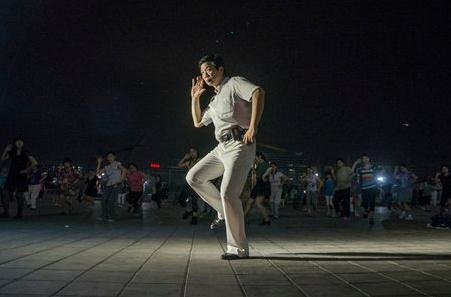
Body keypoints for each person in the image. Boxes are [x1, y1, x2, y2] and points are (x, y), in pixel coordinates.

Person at [186, 54, 265, 260]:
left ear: (220, 69)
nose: (206, 75)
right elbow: (197, 122)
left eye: (209, 70)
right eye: (203, 73)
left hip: (240, 144)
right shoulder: (213, 100)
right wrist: (195, 98)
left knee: (229, 193)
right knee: (194, 177)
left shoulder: (235, 83)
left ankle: (238, 249)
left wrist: (253, 127)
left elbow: (258, 93)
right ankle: (222, 210)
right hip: (222, 147)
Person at [1, 137, 38, 219]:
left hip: (21, 175)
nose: (19, 143)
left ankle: (19, 213)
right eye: (17, 141)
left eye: (21, 141)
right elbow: (2, 160)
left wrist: (26, 170)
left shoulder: (26, 152)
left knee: (19, 194)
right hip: (12, 174)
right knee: (5, 192)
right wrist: (6, 150)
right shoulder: (12, 151)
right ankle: (6, 212)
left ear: (23, 143)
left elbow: (35, 163)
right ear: (15, 143)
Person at [96, 152, 126, 222]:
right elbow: (98, 174)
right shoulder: (107, 167)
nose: (109, 158)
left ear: (114, 157)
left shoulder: (117, 163)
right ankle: (104, 215)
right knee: (103, 200)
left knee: (111, 201)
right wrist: (99, 163)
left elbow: (124, 170)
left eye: (111, 156)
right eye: (108, 157)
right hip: (109, 185)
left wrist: (120, 180)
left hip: (116, 184)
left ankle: (113, 216)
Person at [352, 153, 381, 225]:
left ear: (369, 159)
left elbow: (381, 170)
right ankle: (366, 211)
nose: (365, 159)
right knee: (364, 204)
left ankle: (371, 218)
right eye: (363, 158)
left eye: (366, 158)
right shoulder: (360, 169)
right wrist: (356, 163)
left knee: (372, 203)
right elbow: (352, 172)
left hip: (373, 188)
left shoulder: (373, 167)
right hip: (364, 188)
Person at [244, 152, 271, 225]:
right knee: (249, 202)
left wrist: (264, 175)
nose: (255, 159)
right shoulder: (258, 165)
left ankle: (267, 220)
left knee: (258, 203)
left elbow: (270, 168)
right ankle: (243, 218)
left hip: (263, 185)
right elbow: (254, 175)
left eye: (255, 157)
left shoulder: (265, 164)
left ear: (259, 157)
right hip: (258, 185)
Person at [177, 148, 201, 224]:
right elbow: (179, 165)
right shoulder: (189, 162)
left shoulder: (200, 160)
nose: (192, 153)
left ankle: (194, 217)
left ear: (197, 152)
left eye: (194, 151)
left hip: (196, 183)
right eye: (190, 152)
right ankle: (188, 211)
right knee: (181, 200)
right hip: (188, 183)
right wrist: (184, 158)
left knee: (194, 200)